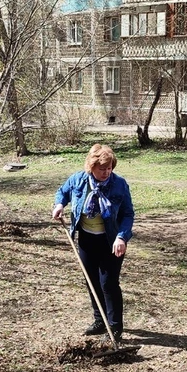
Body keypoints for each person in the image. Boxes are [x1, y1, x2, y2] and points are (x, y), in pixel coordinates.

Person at [52, 144, 134, 343]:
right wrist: (60, 204)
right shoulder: (78, 180)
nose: (106, 172)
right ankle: (100, 320)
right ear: (91, 167)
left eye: (109, 168)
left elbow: (128, 214)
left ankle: (114, 327)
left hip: (111, 240)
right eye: (102, 168)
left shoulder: (119, 185)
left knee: (109, 283)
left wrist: (122, 237)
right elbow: (62, 192)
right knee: (91, 280)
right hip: (87, 239)